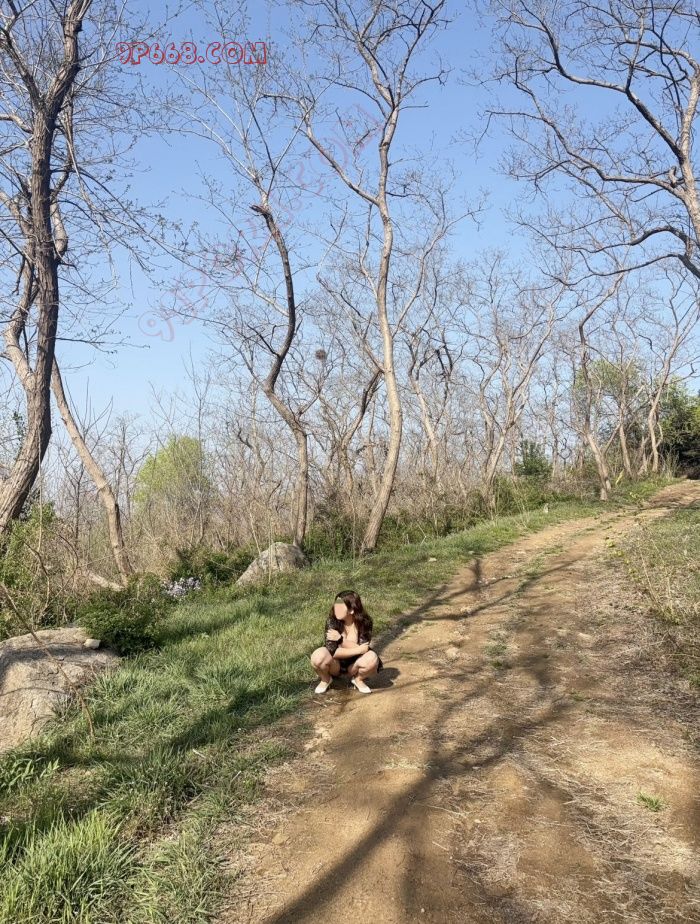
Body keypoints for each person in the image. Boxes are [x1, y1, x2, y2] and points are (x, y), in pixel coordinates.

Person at [310, 590, 383, 695]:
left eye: (340, 606)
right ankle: (326, 679)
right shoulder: (332, 621)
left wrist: (340, 640)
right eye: (336, 605)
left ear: (351, 610)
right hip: (335, 665)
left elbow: (364, 648)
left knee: (372, 659)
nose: (336, 609)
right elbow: (333, 652)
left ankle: (358, 679)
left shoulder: (365, 622)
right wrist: (358, 649)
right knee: (318, 656)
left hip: (354, 664)